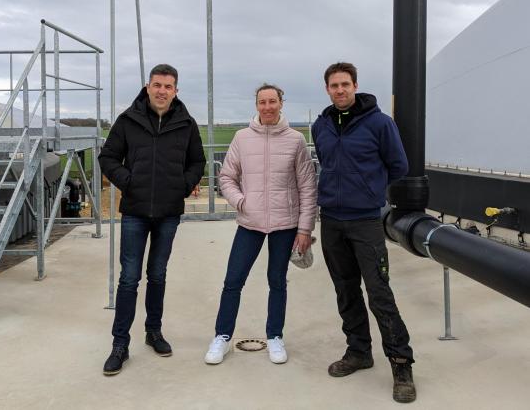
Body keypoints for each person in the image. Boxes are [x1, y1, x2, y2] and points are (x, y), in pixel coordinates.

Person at [312, 62, 416, 403]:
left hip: (365, 222)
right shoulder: (321, 126)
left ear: (355, 86)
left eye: (345, 84)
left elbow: (398, 165)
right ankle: (358, 351)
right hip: (332, 221)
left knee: (379, 292)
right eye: (333, 85)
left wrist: (371, 192)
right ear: (327, 89)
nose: (339, 90)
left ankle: (401, 363)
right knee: (345, 291)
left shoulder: (379, 124)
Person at [98, 64, 205, 375]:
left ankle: (153, 331)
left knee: (157, 274)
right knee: (129, 278)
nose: (162, 91)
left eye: (168, 86)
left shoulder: (186, 123)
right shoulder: (128, 120)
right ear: (147, 87)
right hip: (135, 211)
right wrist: (127, 180)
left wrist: (183, 184)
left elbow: (197, 160)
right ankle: (120, 344)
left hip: (169, 213)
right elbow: (108, 157)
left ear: (176, 91)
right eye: (157, 85)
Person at [204, 84, 317, 365]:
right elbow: (226, 177)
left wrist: (305, 229)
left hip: (285, 223)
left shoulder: (296, 140)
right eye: (262, 102)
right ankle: (222, 337)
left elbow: (307, 186)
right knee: (233, 280)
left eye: (272, 101)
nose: (267, 107)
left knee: (277, 281)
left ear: (281, 103)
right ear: (256, 105)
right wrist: (241, 202)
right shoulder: (242, 138)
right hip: (249, 223)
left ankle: (275, 337)